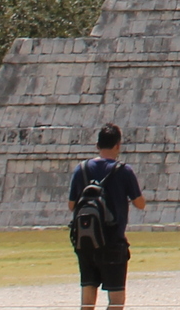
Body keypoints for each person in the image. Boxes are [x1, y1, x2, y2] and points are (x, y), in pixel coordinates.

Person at [68, 122, 146, 310]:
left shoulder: (82, 169)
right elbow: (140, 204)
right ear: (117, 145)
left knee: (88, 292)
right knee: (116, 298)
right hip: (113, 241)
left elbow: (72, 205)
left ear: (97, 145)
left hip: (86, 240)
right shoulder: (124, 171)